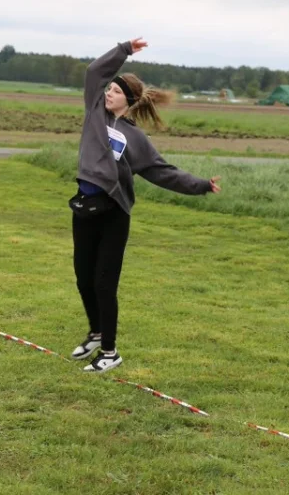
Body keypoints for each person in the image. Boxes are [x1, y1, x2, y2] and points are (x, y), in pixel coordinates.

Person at [69, 38, 221, 373]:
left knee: (104, 283)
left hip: (113, 214)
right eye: (108, 88)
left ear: (129, 100)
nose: (108, 92)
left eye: (115, 91)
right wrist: (123, 50)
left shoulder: (135, 138)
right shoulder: (93, 109)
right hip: (84, 207)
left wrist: (201, 186)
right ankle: (96, 332)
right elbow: (95, 71)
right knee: (83, 278)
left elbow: (163, 173)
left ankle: (109, 352)